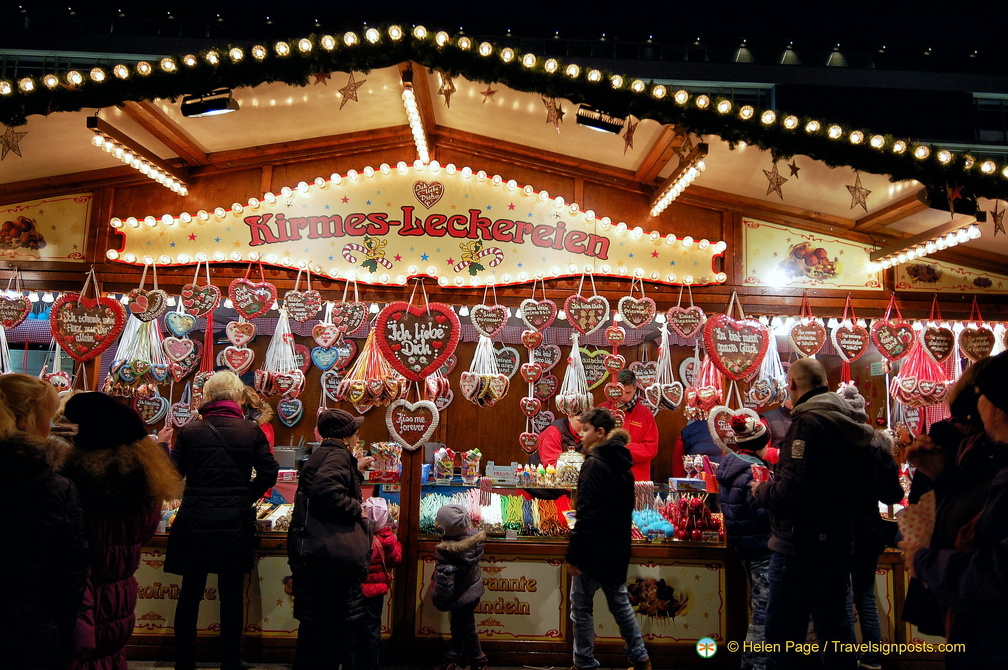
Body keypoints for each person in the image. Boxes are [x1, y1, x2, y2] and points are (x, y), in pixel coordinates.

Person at [751, 357, 874, 670]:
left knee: (782, 636)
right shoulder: (850, 422)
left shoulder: (808, 423)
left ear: (792, 384)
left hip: (799, 545)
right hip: (838, 540)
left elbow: (792, 491)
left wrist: (760, 491)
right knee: (835, 631)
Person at [899, 350, 1008, 667]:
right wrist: (941, 474)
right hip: (979, 632)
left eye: (983, 395)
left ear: (996, 406)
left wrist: (925, 561)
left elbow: (998, 572)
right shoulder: (991, 457)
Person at [166, 370, 279, 670]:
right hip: (234, 522)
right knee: (230, 595)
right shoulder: (250, 430)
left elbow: (172, 474)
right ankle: (230, 659)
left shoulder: (190, 432)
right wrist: (246, 495)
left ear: (207, 398)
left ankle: (184, 661)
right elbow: (269, 472)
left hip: (195, 521)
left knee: (190, 593)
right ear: (237, 397)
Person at [60, 392, 183, 670]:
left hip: (83, 604)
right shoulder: (143, 479)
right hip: (119, 600)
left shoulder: (74, 484)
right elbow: (147, 529)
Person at [0, 373, 89, 670]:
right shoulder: (52, 487)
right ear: (28, 419)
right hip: (28, 629)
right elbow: (70, 572)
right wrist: (61, 631)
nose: (49, 426)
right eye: (47, 417)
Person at [566, 406, 651, 670]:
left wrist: (574, 555)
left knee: (581, 607)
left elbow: (586, 513)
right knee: (620, 604)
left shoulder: (593, 464)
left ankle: (583, 661)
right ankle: (641, 659)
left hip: (593, 550)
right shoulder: (624, 465)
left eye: (586, 430)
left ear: (600, 432)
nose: (581, 435)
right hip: (616, 547)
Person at [288, 408, 374, 670]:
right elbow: (326, 492)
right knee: (332, 630)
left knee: (314, 628)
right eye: (355, 433)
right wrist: (357, 508)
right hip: (328, 558)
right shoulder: (337, 456)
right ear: (345, 436)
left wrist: (354, 468)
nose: (358, 437)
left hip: (312, 552)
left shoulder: (326, 454)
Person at [836, 383, 903, 670]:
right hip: (868, 532)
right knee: (864, 595)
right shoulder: (878, 448)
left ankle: (846, 659)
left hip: (837, 530)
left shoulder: (833, 445)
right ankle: (873, 658)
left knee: (841, 597)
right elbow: (894, 496)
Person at [716, 413, 773, 670]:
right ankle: (754, 664)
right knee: (763, 611)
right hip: (762, 547)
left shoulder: (729, 465)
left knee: (758, 605)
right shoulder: (756, 470)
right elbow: (762, 511)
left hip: (743, 546)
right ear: (762, 443)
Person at [344, 497, 403, 670]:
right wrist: (397, 542)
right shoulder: (388, 539)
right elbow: (396, 559)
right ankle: (370, 665)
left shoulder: (355, 536)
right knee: (371, 631)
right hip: (375, 593)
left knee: (352, 632)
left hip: (355, 590)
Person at [429, 503, 488, 670]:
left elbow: (444, 584)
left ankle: (479, 660)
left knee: (467, 630)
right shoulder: (473, 543)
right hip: (473, 592)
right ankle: (452, 657)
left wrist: (439, 599)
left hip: (459, 597)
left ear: (442, 530)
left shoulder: (447, 553)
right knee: (459, 627)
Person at [598, 369, 659, 482]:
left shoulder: (645, 413)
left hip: (636, 479)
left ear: (635, 389)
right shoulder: (602, 410)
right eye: (621, 392)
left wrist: (621, 450)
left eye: (628, 393)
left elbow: (650, 449)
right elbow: (593, 442)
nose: (624, 397)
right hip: (606, 477)